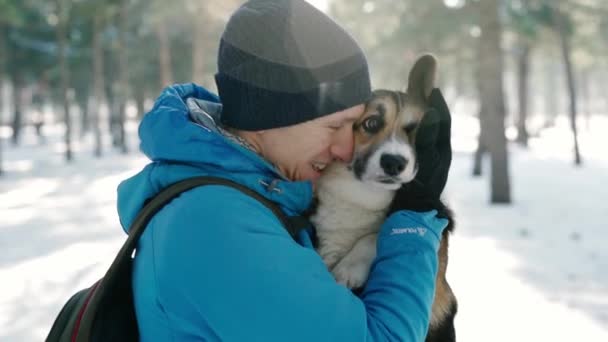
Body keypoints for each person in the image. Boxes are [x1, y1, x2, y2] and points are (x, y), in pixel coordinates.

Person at [117, 0, 452, 341]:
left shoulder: (251, 197)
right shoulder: (217, 222)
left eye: (352, 127)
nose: (344, 149)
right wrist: (415, 219)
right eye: (334, 125)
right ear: (268, 117)